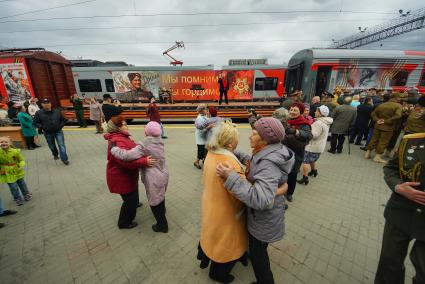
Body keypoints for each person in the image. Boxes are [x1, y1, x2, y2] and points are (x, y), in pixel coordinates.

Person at [216, 117, 295, 284]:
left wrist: (231, 178)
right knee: (259, 250)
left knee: (260, 258)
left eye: (253, 134)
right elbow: (255, 163)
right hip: (265, 218)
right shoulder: (269, 151)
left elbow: (261, 200)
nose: (249, 137)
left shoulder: (269, 162)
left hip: (263, 220)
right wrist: (234, 152)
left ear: (265, 139)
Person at [197, 121, 248, 283]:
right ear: (230, 142)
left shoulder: (211, 154)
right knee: (226, 243)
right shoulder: (229, 161)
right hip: (227, 210)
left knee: (213, 236)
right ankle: (219, 273)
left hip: (212, 203)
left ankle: (207, 258)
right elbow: (242, 190)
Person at [374, 133, 425, 284]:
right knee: (389, 262)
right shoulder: (411, 140)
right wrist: (398, 187)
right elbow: (391, 168)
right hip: (401, 212)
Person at [110, 121, 169, 233]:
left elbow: (127, 156)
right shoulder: (159, 140)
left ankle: (162, 225)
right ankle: (163, 212)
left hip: (153, 176)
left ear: (147, 131)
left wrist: (114, 149)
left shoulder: (146, 143)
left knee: (154, 201)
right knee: (160, 195)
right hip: (163, 172)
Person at [104, 116, 156, 229]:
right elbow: (125, 161)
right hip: (121, 177)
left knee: (131, 195)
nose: (127, 126)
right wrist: (144, 161)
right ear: (117, 128)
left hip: (127, 176)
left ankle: (134, 204)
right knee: (129, 201)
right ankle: (124, 222)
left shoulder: (122, 137)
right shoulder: (117, 140)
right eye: (124, 124)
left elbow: (132, 150)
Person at [283, 103, 312, 202]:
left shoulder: (304, 123)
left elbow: (308, 135)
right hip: (283, 151)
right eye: (291, 109)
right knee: (283, 173)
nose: (292, 112)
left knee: (292, 174)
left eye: (295, 110)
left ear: (300, 112)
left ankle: (290, 193)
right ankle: (282, 191)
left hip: (296, 153)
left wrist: (296, 132)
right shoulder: (286, 120)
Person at [297, 105, 333, 185]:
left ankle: (305, 178)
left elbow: (314, 135)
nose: (315, 112)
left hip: (312, 146)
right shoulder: (325, 121)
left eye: (317, 111)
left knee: (305, 161)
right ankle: (314, 171)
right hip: (319, 146)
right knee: (312, 159)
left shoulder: (319, 123)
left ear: (320, 113)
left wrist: (305, 132)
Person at [365, 93, 403, 164]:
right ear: (397, 98)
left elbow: (373, 114)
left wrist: (377, 120)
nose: (401, 99)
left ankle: (367, 153)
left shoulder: (382, 104)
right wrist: (387, 121)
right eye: (400, 98)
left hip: (378, 125)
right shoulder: (398, 106)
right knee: (383, 141)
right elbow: (398, 116)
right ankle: (377, 157)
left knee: (374, 139)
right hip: (388, 127)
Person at [34, 99, 70, 165]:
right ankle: (55, 154)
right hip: (48, 133)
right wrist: (42, 127)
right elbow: (35, 123)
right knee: (52, 146)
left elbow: (64, 120)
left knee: (61, 145)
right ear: (42, 105)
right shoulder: (38, 113)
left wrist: (60, 126)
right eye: (44, 103)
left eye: (48, 102)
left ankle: (64, 159)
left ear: (50, 104)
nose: (47, 104)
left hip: (58, 131)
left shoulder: (57, 111)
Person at [0, 136, 32, 206]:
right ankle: (17, 198)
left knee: (22, 184)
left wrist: (20, 165)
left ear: (10, 143)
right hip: (7, 173)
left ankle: (26, 194)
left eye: (6, 142)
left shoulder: (15, 151)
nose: (3, 143)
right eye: (1, 142)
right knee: (13, 187)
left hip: (17, 170)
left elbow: (21, 160)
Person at [194, 104, 208, 169]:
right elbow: (201, 129)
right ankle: (196, 162)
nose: (206, 110)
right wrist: (209, 127)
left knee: (205, 150)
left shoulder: (205, 116)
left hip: (204, 137)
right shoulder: (199, 119)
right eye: (205, 109)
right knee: (201, 151)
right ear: (201, 111)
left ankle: (204, 160)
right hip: (201, 137)